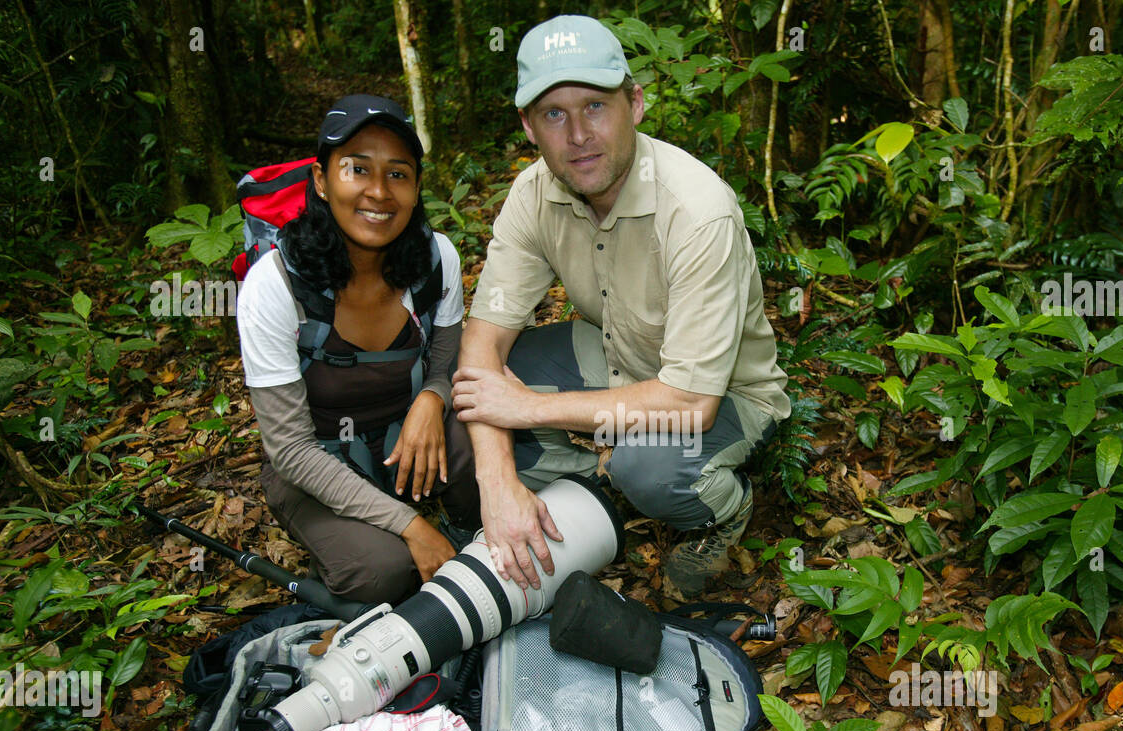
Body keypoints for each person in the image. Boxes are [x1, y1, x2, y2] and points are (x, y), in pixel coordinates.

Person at [451, 16, 791, 600]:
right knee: (476, 421)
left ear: (634, 104)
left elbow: (691, 402)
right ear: (528, 127)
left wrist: (527, 408)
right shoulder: (533, 195)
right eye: (554, 114)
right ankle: (594, 476)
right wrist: (496, 482)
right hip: (622, 358)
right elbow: (482, 346)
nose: (578, 134)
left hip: (724, 392)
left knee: (649, 467)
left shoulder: (696, 210)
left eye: (595, 106)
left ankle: (722, 511)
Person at [236, 94, 480, 606]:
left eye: (398, 174)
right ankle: (393, 531)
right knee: (382, 573)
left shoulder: (437, 260)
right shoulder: (273, 286)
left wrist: (432, 400)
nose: (378, 192)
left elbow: (446, 364)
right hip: (316, 463)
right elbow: (290, 449)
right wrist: (410, 526)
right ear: (322, 181)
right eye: (357, 169)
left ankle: (464, 523)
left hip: (411, 438)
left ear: (415, 189)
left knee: (494, 455)